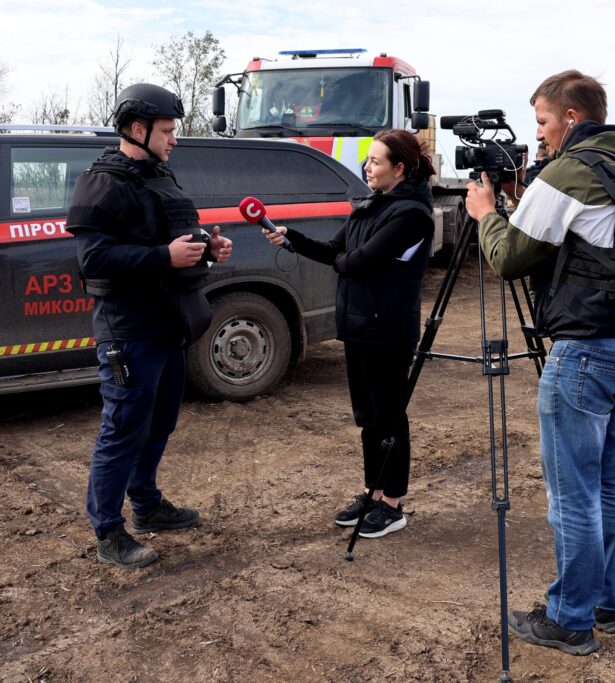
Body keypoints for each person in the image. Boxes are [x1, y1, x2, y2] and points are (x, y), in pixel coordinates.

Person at [466, 70, 615, 655]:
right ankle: (606, 605)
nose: (541, 135)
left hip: (583, 352)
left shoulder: (572, 171)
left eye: (544, 122)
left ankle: (570, 619)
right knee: (609, 483)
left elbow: (509, 257)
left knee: (572, 494)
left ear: (571, 118)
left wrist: (484, 214)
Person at [66, 83, 233, 569]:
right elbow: (93, 258)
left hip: (168, 323)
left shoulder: (158, 177)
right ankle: (108, 533)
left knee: (158, 422)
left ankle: (146, 505)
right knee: (123, 429)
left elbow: (171, 236)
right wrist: (164, 256)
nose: (174, 139)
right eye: (167, 130)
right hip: (129, 329)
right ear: (137, 130)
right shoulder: (102, 183)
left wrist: (208, 245)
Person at [264, 129, 435, 539]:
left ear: (401, 168)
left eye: (376, 161)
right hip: (358, 326)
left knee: (389, 417)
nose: (367, 167)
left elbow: (360, 262)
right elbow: (334, 251)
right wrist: (293, 239)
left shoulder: (412, 214)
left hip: (388, 329)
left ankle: (392, 504)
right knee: (367, 417)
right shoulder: (371, 206)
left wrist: (346, 259)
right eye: (368, 160)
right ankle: (371, 491)